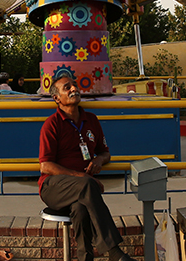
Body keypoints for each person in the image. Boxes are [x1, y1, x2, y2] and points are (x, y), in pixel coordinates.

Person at [38, 75, 136, 261]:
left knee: (80, 209)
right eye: (67, 88)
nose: (74, 89)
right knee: (87, 186)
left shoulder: (91, 120)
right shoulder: (51, 125)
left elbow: (106, 152)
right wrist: (82, 177)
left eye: (74, 85)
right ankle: (115, 253)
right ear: (56, 98)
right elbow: (46, 165)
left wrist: (99, 159)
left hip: (82, 189)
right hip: (53, 187)